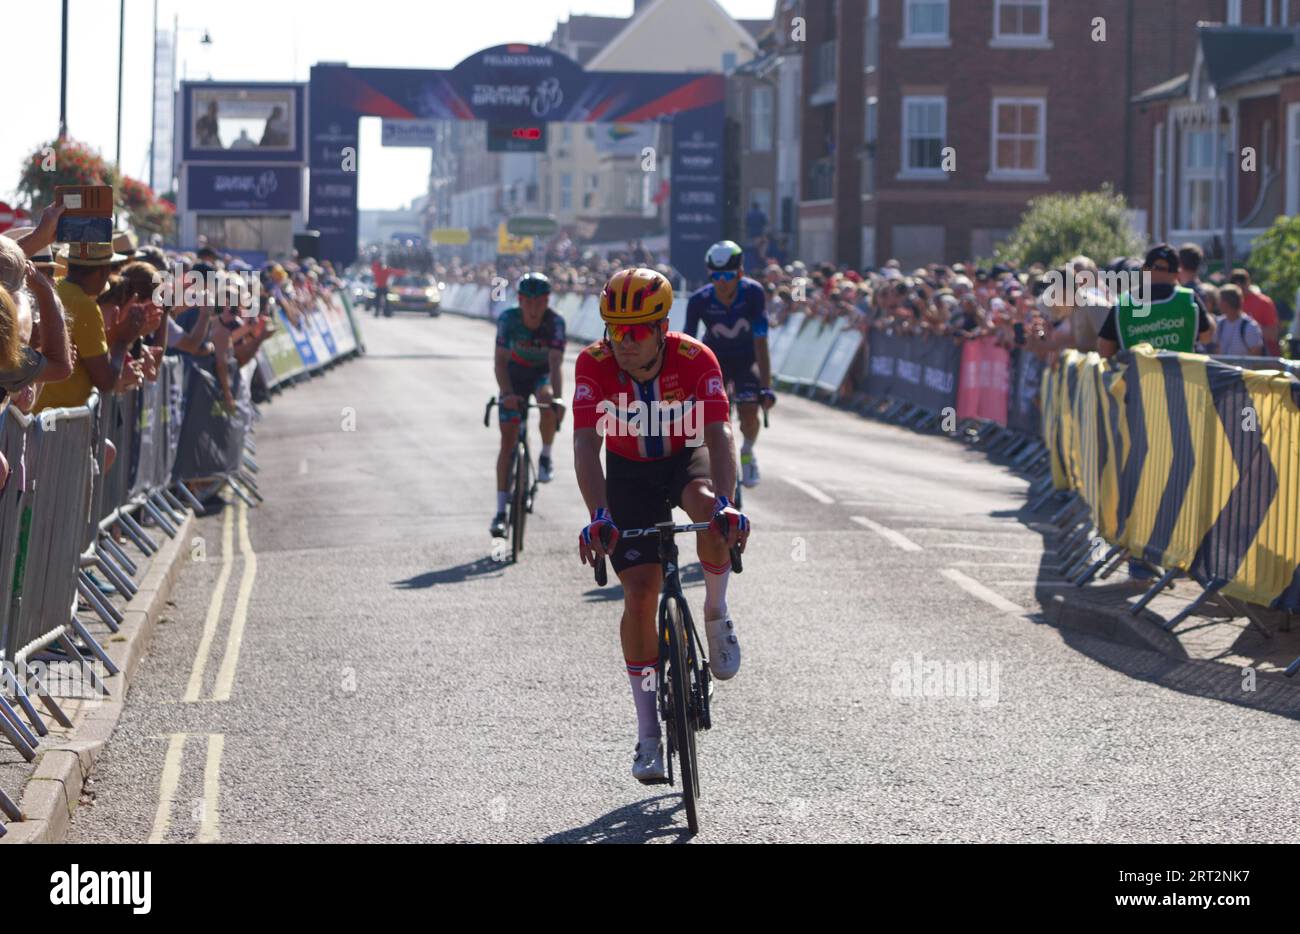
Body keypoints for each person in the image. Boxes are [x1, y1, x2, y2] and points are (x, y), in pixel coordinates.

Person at [572, 267, 750, 784]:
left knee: (710, 511)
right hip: (628, 474)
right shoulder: (594, 363)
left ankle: (716, 613)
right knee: (642, 595)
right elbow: (587, 445)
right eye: (613, 329)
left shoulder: (696, 358)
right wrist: (598, 516)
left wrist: (729, 503)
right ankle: (649, 736)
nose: (622, 342)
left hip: (683, 459)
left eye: (635, 331)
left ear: (661, 326)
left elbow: (719, 433)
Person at [684, 240, 775, 488]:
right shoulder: (699, 300)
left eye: (728, 275)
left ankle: (746, 451)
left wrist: (766, 387)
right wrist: (686, 387)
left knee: (749, 409)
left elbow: (761, 342)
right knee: (707, 416)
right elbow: (687, 346)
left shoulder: (753, 293)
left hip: (747, 358)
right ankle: (710, 460)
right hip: (714, 362)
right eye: (716, 276)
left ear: (740, 274)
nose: (722, 281)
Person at [490, 272, 567, 538]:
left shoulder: (556, 322)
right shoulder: (508, 319)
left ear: (547, 301)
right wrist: (507, 393)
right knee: (507, 441)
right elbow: (499, 361)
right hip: (513, 373)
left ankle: (545, 455)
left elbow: (556, 364)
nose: (534, 309)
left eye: (540, 302)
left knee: (546, 400)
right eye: (528, 302)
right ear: (520, 300)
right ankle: (500, 512)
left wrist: (557, 399)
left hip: (541, 374)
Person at [1096, 244, 1214, 359]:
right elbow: (1207, 336)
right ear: (1177, 274)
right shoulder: (1187, 298)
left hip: (1137, 378)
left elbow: (1105, 350)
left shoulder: (1123, 304)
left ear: (1144, 269)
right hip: (1180, 378)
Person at [1229, 268, 1281, 356]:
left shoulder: (1264, 302)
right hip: (1240, 358)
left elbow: (1273, 334)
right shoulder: (1231, 303)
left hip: (1263, 358)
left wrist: (1249, 329)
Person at [1211, 284, 1264, 356]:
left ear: (1226, 303)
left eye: (1220, 300)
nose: (1218, 304)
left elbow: (1255, 357)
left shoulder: (1250, 327)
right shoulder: (1219, 323)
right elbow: (1217, 350)